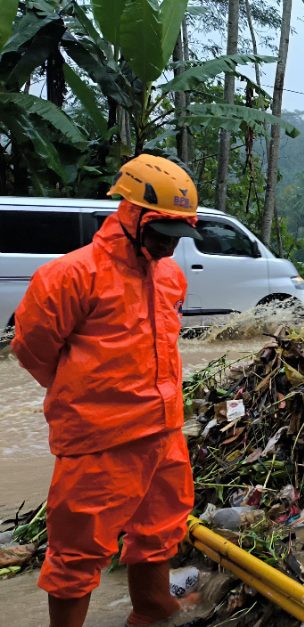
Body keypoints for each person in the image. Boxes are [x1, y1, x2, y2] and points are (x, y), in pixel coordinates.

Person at [11, 155, 203, 627]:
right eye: (161, 232)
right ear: (131, 213)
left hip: (164, 432)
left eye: (178, 237)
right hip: (99, 440)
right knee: (78, 550)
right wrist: (86, 395)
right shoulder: (70, 276)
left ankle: (153, 608)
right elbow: (33, 350)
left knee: (161, 527)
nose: (167, 245)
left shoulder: (170, 276)